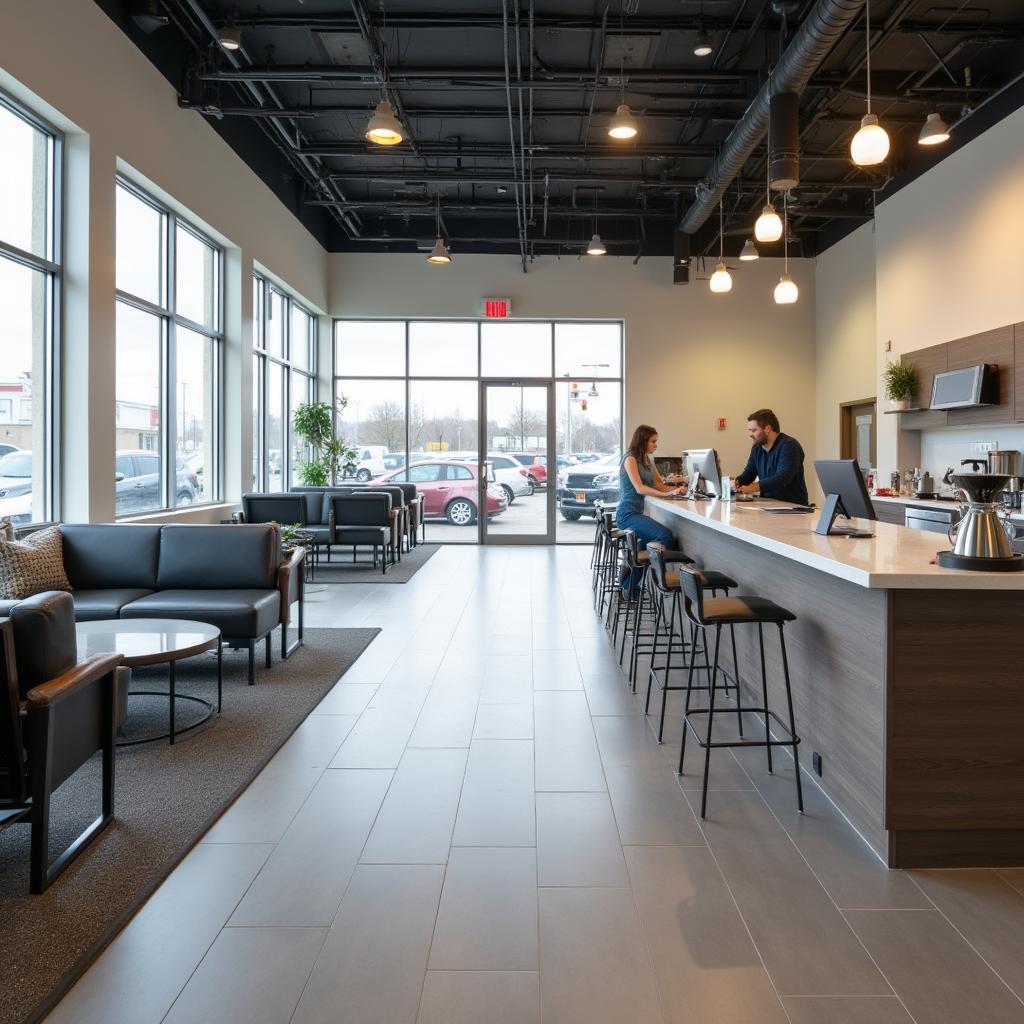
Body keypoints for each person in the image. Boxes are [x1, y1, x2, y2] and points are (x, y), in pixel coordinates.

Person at [617, 425, 685, 595]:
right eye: (653, 441)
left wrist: (675, 490)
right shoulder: (630, 459)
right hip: (627, 514)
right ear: (643, 441)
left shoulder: (648, 460)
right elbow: (639, 488)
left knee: (643, 548)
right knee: (664, 537)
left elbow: (659, 485)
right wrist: (667, 496)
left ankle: (628, 583)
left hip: (636, 513)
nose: (656, 445)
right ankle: (655, 582)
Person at [734, 408, 809, 505]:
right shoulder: (757, 448)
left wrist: (753, 487)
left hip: (792, 507)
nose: (750, 434)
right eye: (750, 430)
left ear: (767, 429)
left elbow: (782, 477)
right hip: (768, 505)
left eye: (754, 430)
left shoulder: (789, 445)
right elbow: (749, 473)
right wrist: (737, 482)